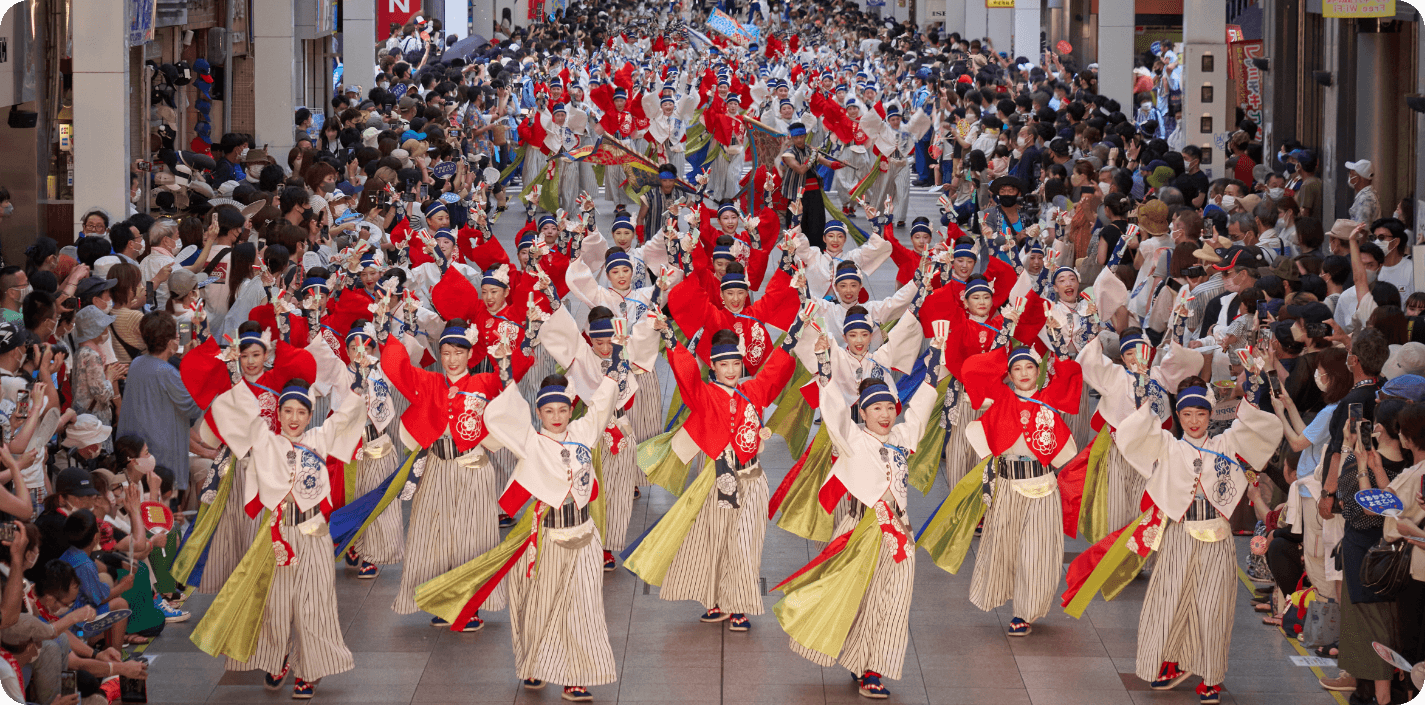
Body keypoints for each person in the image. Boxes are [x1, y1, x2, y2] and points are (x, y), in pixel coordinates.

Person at [774, 330, 943, 698]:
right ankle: (856, 655)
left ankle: (873, 668)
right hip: (856, 528)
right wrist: (822, 366)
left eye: (889, 408)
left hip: (898, 533)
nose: (884, 414)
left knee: (893, 601)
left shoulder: (901, 438)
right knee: (860, 596)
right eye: (875, 408)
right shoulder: (850, 439)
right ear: (862, 411)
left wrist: (935, 360)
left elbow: (922, 406)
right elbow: (832, 405)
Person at [191, 374, 365, 699]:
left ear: (310, 415)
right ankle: (277, 657)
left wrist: (358, 383)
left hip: (313, 531)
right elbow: (242, 415)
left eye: (301, 412)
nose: (294, 418)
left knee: (313, 605)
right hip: (278, 533)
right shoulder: (266, 439)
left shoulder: (319, 438)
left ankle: (309, 671)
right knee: (276, 603)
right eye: (288, 411)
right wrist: (233, 378)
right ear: (279, 413)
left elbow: (346, 418)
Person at [113, 313, 202, 499]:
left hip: (140, 450)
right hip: (161, 454)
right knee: (163, 508)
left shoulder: (138, 363)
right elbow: (192, 408)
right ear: (170, 343)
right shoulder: (166, 372)